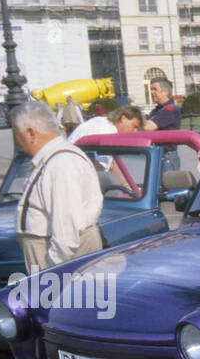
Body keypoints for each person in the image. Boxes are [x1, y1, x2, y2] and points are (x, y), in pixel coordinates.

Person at [10, 100, 104, 273]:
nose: (18, 141)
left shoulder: (61, 164)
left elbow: (66, 231)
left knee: (65, 301)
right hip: (56, 259)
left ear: (30, 133)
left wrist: (52, 272)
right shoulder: (55, 160)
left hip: (58, 264)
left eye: (17, 134)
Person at [143, 77, 181, 172]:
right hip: (156, 155)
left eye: (155, 89)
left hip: (167, 157)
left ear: (165, 92)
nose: (151, 92)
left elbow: (147, 127)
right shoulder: (156, 110)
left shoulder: (170, 110)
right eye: (151, 89)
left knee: (168, 185)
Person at [69, 105, 144, 143]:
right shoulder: (109, 131)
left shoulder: (100, 121)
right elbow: (101, 166)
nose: (135, 131)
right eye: (134, 126)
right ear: (123, 118)